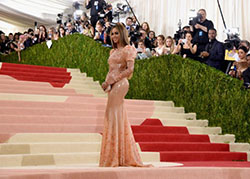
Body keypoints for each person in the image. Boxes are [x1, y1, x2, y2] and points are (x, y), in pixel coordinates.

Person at [99, 23, 150, 167]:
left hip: (121, 84)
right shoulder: (112, 52)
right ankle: (117, 155)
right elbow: (111, 70)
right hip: (113, 84)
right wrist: (106, 82)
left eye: (116, 33)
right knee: (115, 116)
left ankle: (115, 156)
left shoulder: (128, 49)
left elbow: (130, 70)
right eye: (112, 34)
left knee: (112, 115)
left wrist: (113, 80)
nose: (114, 36)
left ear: (122, 34)